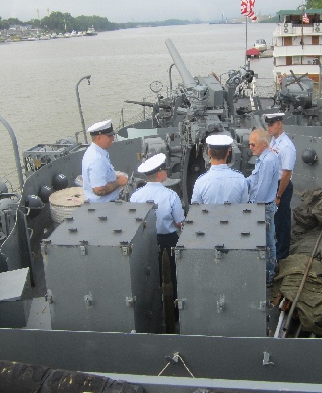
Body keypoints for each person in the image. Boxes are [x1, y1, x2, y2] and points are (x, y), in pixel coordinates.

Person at [130, 153, 185, 296]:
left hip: (145, 239)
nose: (167, 172)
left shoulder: (136, 196)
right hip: (168, 239)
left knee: (149, 273)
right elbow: (179, 222)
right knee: (174, 274)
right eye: (165, 170)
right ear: (160, 174)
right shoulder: (171, 195)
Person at [245, 129, 281, 286]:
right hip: (264, 206)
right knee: (267, 239)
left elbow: (262, 189)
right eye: (249, 144)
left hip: (263, 208)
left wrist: (251, 206)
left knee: (267, 242)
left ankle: (269, 276)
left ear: (264, 144)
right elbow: (254, 178)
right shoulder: (264, 158)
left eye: (253, 144)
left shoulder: (267, 161)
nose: (250, 147)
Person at [265, 113, 296, 261]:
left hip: (281, 186)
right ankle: (275, 249)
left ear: (279, 124)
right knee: (274, 219)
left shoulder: (286, 146)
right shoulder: (274, 141)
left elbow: (286, 174)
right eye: (268, 124)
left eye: (271, 124)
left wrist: (278, 195)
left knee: (282, 220)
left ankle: (282, 254)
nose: (268, 127)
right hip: (273, 184)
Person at [191, 134, 249, 205]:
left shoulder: (200, 182)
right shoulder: (240, 179)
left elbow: (196, 211)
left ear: (209, 153)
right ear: (228, 153)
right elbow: (244, 208)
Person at [81, 120, 128, 203]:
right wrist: (119, 182)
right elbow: (99, 190)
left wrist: (115, 177)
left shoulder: (96, 152)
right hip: (104, 208)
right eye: (109, 136)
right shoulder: (97, 159)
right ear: (99, 138)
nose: (113, 138)